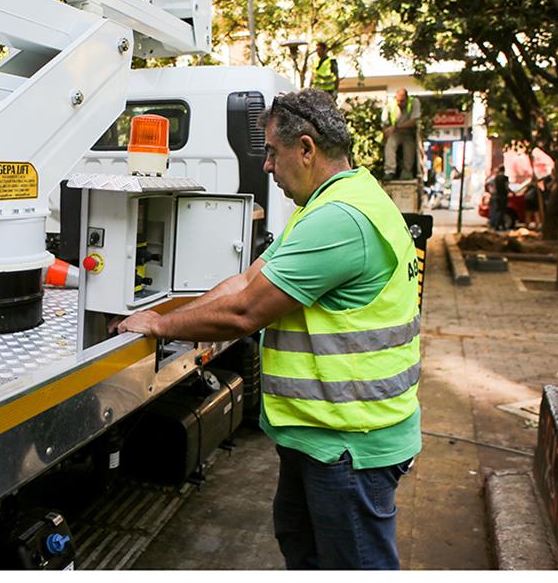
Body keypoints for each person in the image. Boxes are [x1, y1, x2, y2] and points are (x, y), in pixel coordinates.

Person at [116, 89, 421, 570]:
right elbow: (245, 282)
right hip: (320, 433)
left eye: (272, 153)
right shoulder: (327, 206)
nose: (266, 167)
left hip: (349, 442)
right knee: (302, 548)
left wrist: (160, 325)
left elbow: (245, 313)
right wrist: (165, 313)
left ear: (306, 148)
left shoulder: (342, 219)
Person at [382, 89, 420, 180]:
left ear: (407, 99)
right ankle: (390, 171)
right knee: (390, 145)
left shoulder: (414, 102)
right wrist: (385, 133)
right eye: (398, 100)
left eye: (402, 101)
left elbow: (414, 121)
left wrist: (395, 127)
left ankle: (407, 172)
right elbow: (384, 122)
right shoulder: (391, 104)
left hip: (408, 133)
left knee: (409, 150)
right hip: (395, 134)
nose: (400, 103)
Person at [488, 165, 509, 231]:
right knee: (502, 211)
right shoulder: (505, 178)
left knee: (499, 210)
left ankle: (502, 226)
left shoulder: (496, 178)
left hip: (497, 196)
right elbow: (506, 187)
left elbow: (494, 186)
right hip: (503, 196)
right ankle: (497, 225)